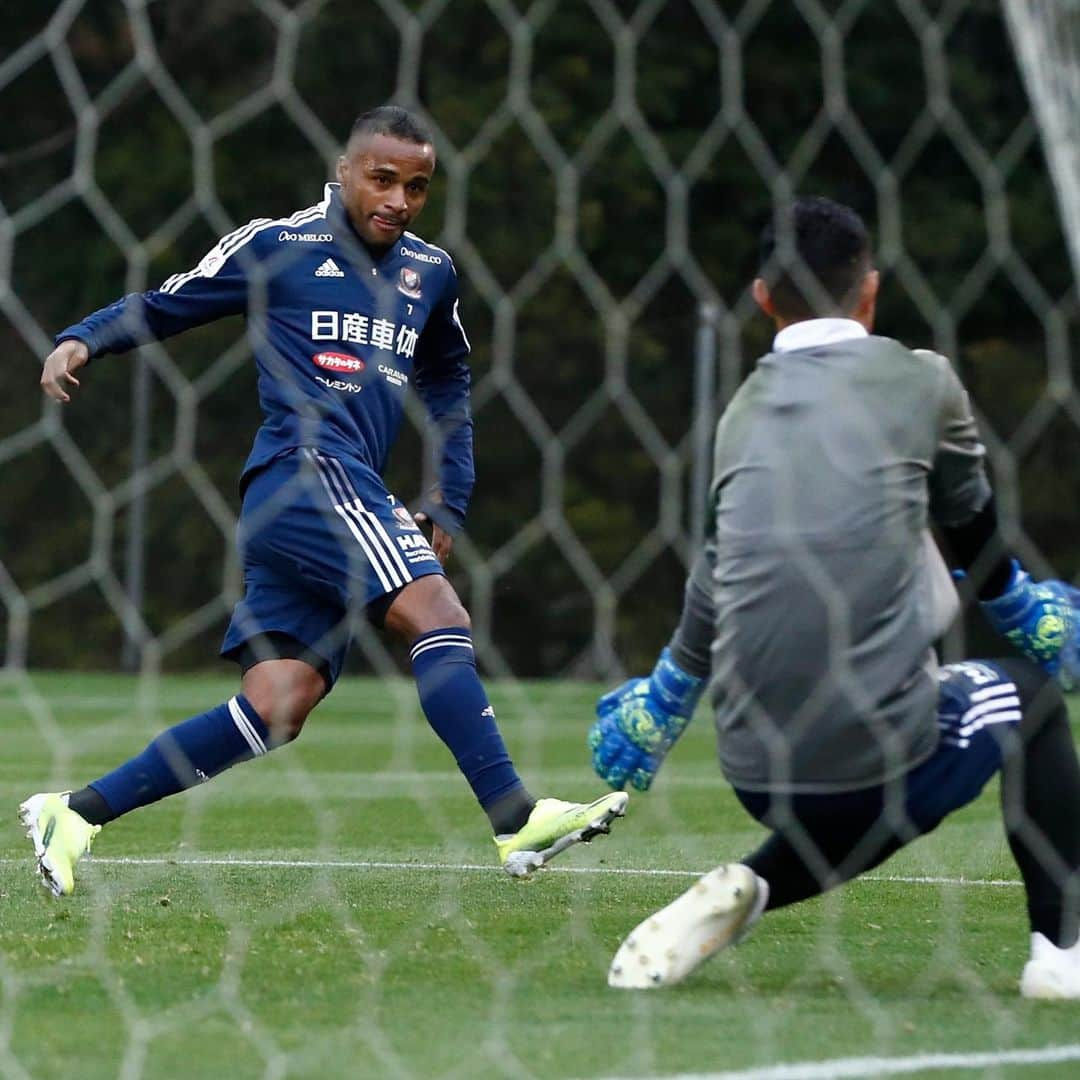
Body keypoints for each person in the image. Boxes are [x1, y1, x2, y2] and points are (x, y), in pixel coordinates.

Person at [20, 104, 627, 897]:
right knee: (437, 616)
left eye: (417, 186)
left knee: (278, 703)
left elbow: (449, 377)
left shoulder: (429, 273)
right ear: (342, 170)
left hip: (335, 493)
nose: (398, 199)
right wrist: (82, 337)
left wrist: (448, 497)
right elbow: (173, 300)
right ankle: (514, 815)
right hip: (305, 472)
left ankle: (75, 812)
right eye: (383, 178)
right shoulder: (279, 245)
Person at [588, 196, 1080, 998]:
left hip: (749, 759)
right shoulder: (923, 381)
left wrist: (668, 695)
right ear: (872, 290)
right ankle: (1062, 955)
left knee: (873, 782)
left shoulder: (739, 415)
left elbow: (720, 570)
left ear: (761, 298)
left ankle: (751, 889)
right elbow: (972, 529)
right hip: (870, 740)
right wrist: (1023, 611)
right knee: (1029, 705)